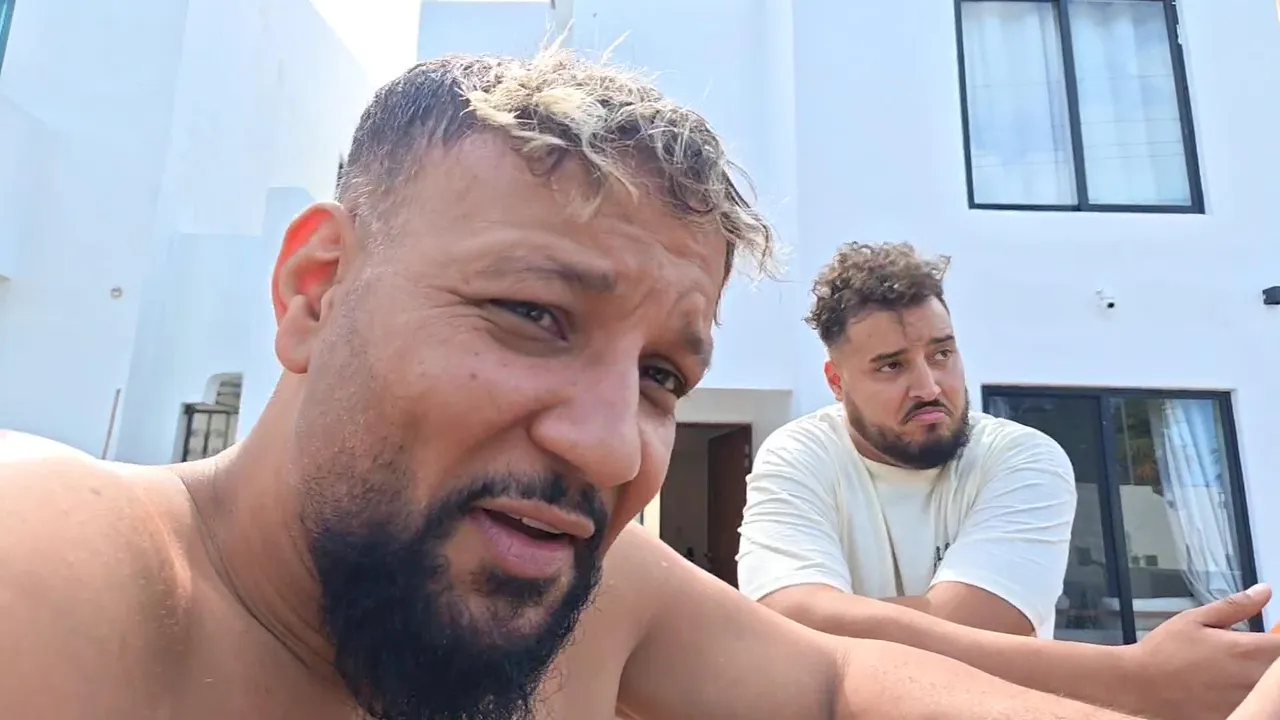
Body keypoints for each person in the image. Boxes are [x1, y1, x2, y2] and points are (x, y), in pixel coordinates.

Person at [0, 49, 1278, 720]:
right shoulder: (51, 576)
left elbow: (833, 686)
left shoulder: (606, 599)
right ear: (315, 290)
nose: (615, 448)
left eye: (664, 374)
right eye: (532, 315)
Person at [738, 242, 1074, 638]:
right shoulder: (800, 456)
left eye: (941, 354)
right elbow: (785, 621)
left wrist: (825, 626)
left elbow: (986, 625)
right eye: (892, 366)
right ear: (836, 382)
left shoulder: (1021, 458)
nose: (929, 388)